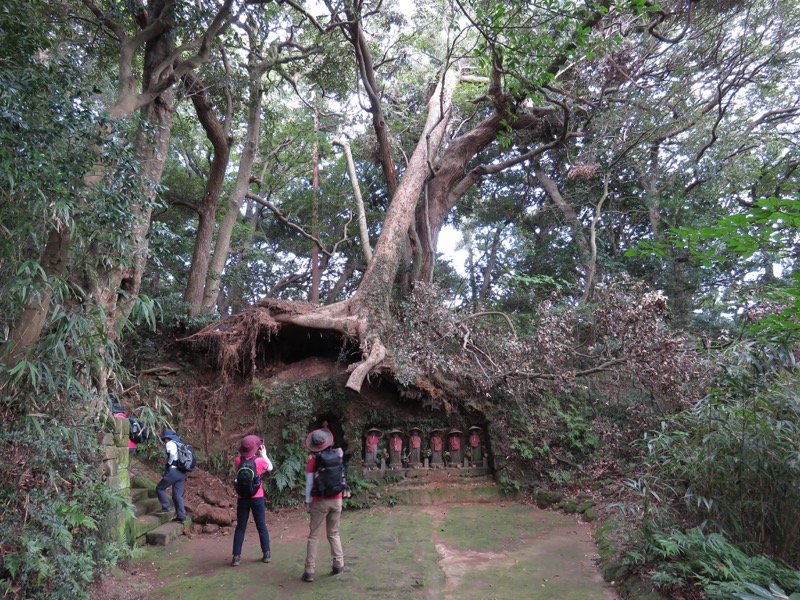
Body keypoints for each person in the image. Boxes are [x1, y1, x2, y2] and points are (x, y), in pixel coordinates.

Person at [301, 428, 345, 583]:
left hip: (320, 501)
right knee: (334, 533)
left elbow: (309, 484)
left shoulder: (313, 461)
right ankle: (338, 564)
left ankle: (309, 571)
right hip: (337, 499)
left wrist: (307, 501)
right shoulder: (338, 455)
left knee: (314, 535)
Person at [231, 435, 274, 566]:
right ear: (256, 448)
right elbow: (270, 468)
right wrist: (264, 454)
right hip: (257, 497)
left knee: (240, 527)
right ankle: (266, 554)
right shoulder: (259, 461)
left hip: (242, 498)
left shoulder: (238, 460)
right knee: (261, 526)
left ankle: (236, 557)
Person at [155, 429, 187, 524]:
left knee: (159, 488)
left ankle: (166, 507)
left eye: (164, 439)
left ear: (166, 438)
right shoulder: (179, 443)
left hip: (173, 470)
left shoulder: (170, 443)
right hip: (182, 472)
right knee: (177, 495)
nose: (164, 441)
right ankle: (181, 516)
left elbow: (172, 454)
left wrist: (169, 463)